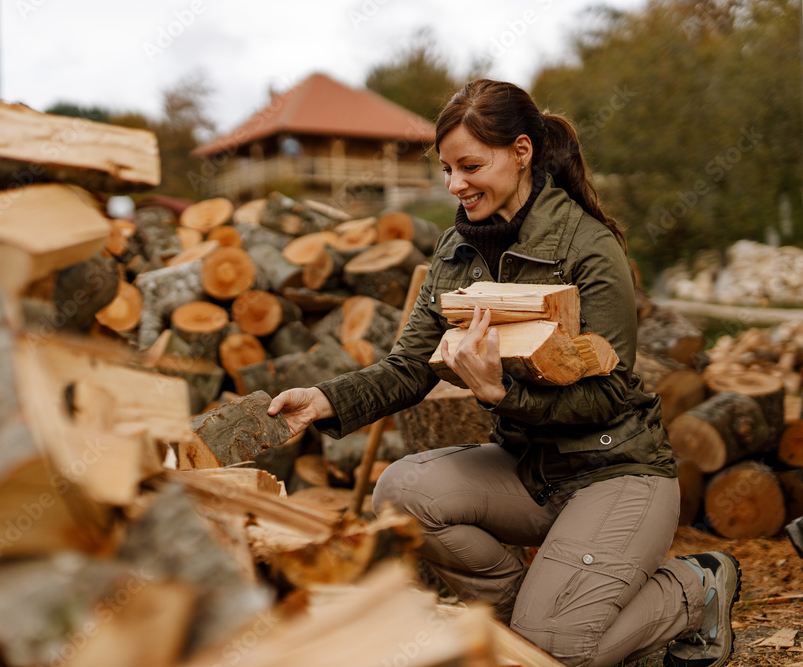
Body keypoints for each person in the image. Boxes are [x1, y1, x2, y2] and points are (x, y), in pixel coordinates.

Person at [267, 79, 741, 667]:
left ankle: (695, 590)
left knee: (554, 652)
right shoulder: (455, 250)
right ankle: (537, 629)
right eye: (445, 168)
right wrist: (322, 399)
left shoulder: (591, 249)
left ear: (522, 153)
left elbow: (607, 395)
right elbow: (410, 365)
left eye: (469, 165)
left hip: (615, 469)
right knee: (402, 493)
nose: (454, 184)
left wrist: (501, 393)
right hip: (529, 470)